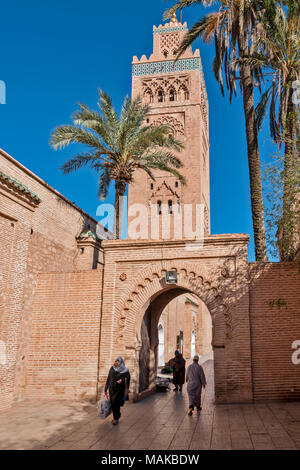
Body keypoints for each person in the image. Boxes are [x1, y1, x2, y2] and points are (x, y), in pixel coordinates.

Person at [104, 357, 130, 425]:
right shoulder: (112, 368)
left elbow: (128, 378)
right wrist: (105, 389)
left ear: (121, 362)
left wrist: (122, 380)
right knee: (113, 403)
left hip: (119, 389)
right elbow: (108, 378)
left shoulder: (125, 370)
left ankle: (116, 419)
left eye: (118, 361)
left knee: (116, 403)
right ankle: (117, 415)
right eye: (116, 361)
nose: (117, 362)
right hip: (111, 389)